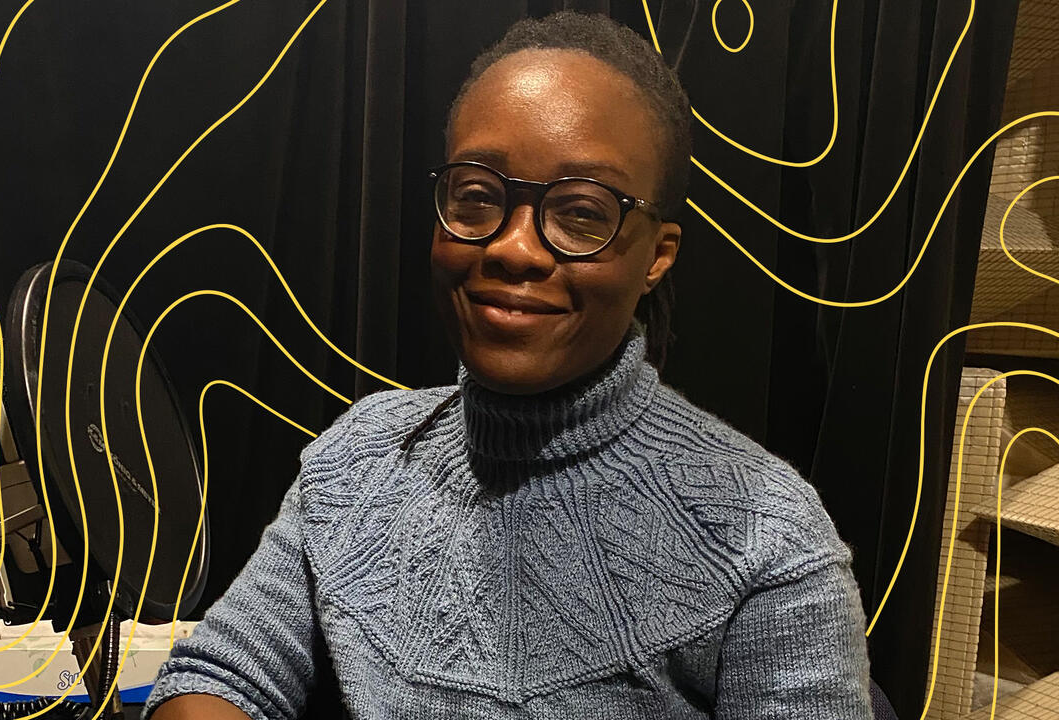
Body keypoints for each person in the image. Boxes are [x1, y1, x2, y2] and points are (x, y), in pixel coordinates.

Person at [145, 10, 873, 719]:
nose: (514, 248)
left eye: (582, 212)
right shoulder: (360, 457)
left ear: (656, 256)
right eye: (476, 196)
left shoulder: (766, 537)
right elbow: (220, 673)